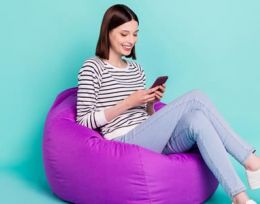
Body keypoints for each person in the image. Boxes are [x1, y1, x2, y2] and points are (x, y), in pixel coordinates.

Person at [76, 4, 260, 204]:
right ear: (108, 32)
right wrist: (128, 102)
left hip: (148, 138)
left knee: (197, 119)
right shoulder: (92, 67)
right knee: (196, 97)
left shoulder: (136, 69)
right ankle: (251, 162)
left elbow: (145, 117)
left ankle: (239, 196)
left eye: (135, 34)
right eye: (124, 34)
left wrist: (150, 104)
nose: (131, 40)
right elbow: (84, 121)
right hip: (124, 143)